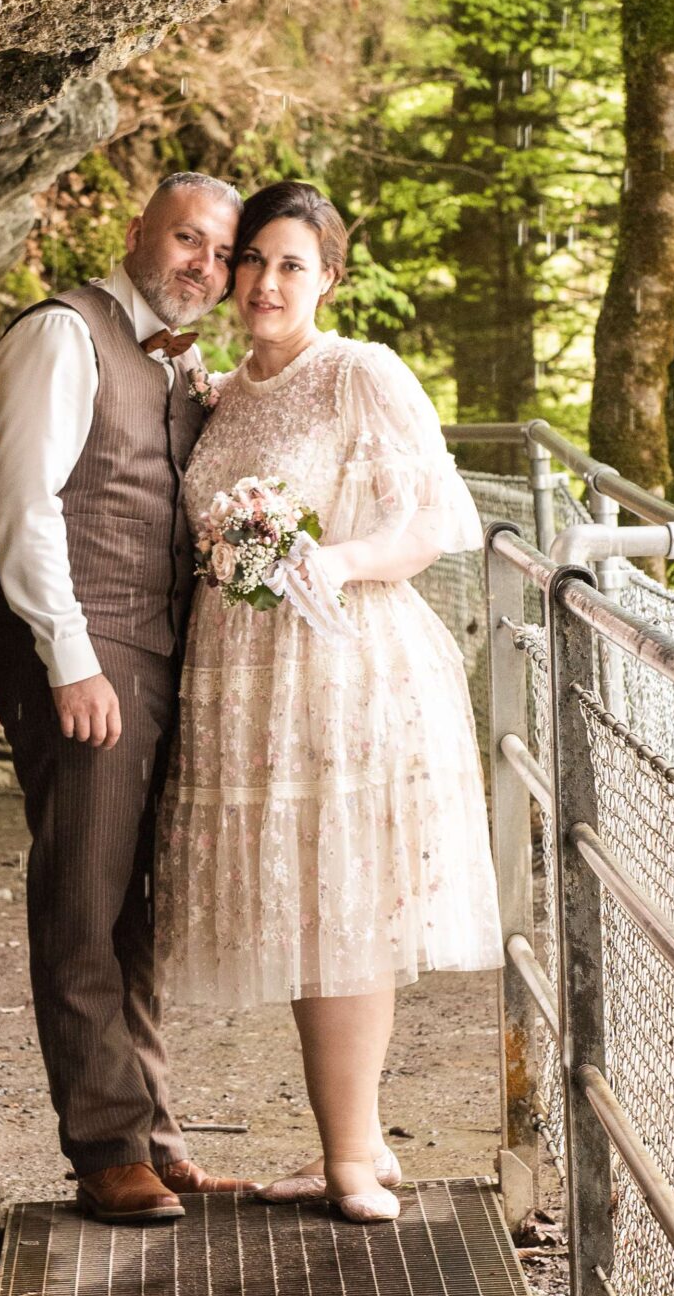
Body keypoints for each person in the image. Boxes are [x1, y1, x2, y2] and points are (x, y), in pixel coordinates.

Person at [156, 180, 502, 1220]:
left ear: (329, 279)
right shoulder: (219, 394)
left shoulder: (359, 373)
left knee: (343, 903)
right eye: (251, 260)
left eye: (291, 265)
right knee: (305, 908)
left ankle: (352, 1154)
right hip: (245, 683)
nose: (265, 282)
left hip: (342, 665)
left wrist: (332, 559)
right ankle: (354, 1141)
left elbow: (432, 524)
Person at [0, 170, 254, 1225]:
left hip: (153, 654)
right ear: (138, 230)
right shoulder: (64, 333)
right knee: (83, 899)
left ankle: (153, 1134)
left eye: (220, 254)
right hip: (85, 654)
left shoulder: (174, 363)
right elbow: (26, 508)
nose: (203, 265)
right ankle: (104, 1149)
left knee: (135, 910)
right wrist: (70, 659)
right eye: (187, 240)